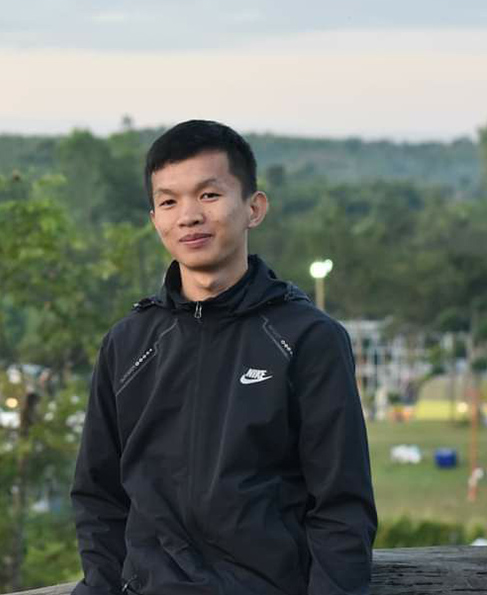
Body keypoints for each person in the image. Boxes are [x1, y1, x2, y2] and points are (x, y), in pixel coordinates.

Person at [71, 120, 377, 595]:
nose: (188, 216)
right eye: (169, 202)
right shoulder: (129, 344)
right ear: (154, 219)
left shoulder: (307, 338)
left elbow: (342, 509)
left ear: (254, 208)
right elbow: (98, 498)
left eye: (209, 195)